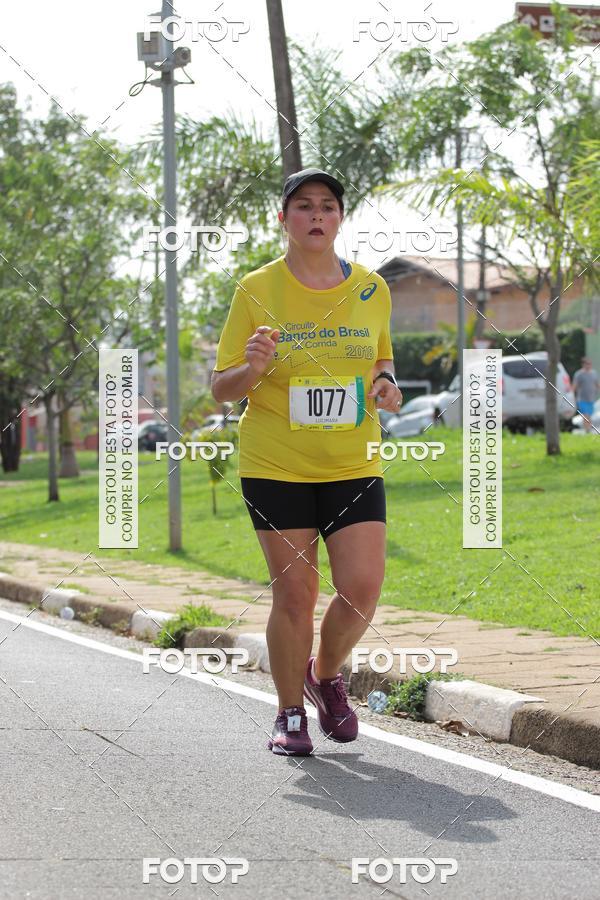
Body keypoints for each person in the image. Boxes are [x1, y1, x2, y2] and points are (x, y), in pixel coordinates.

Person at [211, 168, 402, 756]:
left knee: (362, 590)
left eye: (327, 206)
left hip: (353, 462)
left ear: (340, 218)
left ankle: (325, 676)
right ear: (284, 218)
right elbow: (221, 388)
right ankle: (290, 712)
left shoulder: (373, 288)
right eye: (303, 206)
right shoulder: (256, 289)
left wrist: (388, 384)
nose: (316, 216)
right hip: (277, 465)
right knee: (296, 593)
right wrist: (254, 369)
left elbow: (381, 361)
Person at [572, 356, 599, 434]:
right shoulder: (579, 374)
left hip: (591, 399)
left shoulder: (594, 373)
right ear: (583, 364)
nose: (589, 365)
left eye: (590, 364)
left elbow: (597, 384)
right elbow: (575, 386)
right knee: (586, 416)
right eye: (587, 363)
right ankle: (587, 431)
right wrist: (571, 394)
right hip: (582, 399)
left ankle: (588, 431)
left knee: (589, 416)